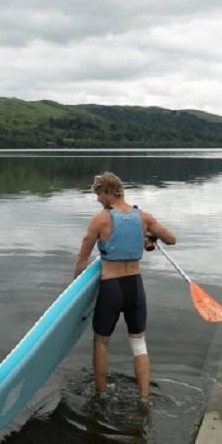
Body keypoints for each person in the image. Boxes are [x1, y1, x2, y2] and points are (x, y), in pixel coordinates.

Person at [73, 172, 176, 401]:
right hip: (135, 288)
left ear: (108, 191)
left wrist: (74, 292)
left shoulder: (100, 220)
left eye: (99, 195)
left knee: (100, 343)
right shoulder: (144, 217)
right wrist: (150, 238)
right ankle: (144, 399)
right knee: (139, 343)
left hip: (111, 288)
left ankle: (100, 396)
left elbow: (82, 258)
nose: (98, 200)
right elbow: (171, 239)